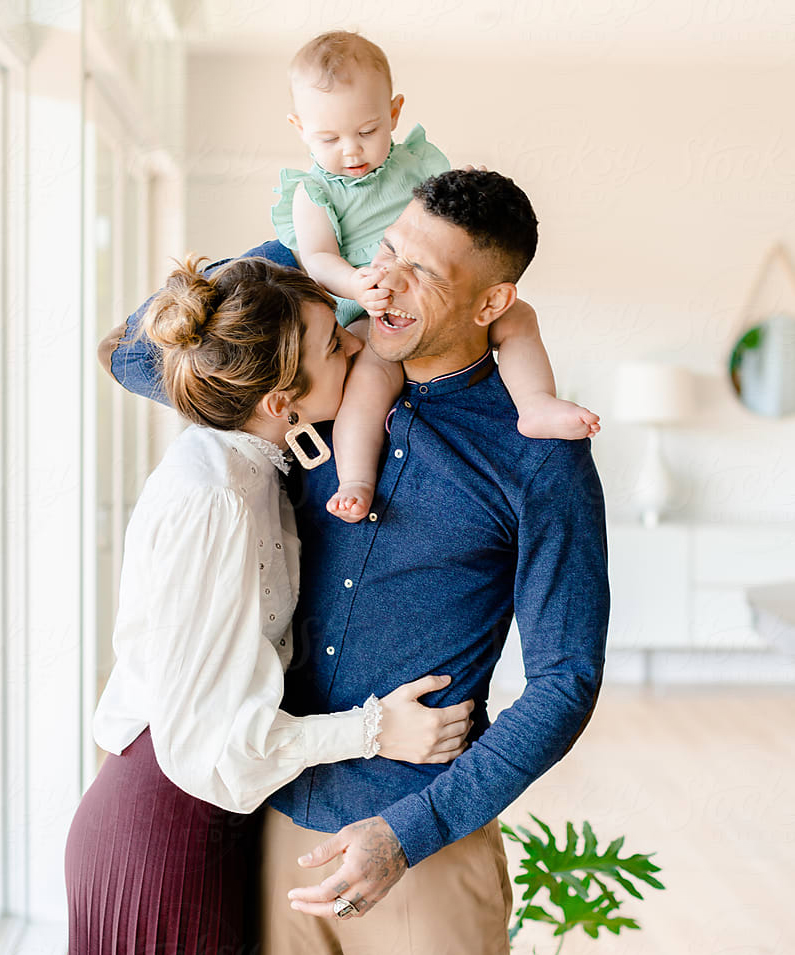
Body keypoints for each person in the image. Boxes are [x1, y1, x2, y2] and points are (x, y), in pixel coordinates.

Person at [101, 169, 610, 955]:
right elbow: (129, 354)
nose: (387, 284)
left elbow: (567, 678)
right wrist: (301, 237)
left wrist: (412, 831)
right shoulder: (312, 379)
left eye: (425, 275)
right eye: (388, 249)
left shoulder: (539, 457)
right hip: (277, 824)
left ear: (492, 304)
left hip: (423, 849)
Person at [66, 255, 476, 955]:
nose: (354, 340)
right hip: (168, 830)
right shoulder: (219, 499)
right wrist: (375, 731)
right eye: (331, 345)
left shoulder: (241, 457)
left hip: (189, 817)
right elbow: (213, 743)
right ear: (280, 403)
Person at [272, 31, 600, 523]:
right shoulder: (313, 192)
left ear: (394, 113)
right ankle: (356, 477)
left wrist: (471, 184)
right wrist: (358, 283)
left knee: (522, 318)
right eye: (329, 138)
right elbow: (317, 257)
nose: (351, 150)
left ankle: (533, 402)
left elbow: (450, 215)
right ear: (300, 128)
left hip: (425, 317)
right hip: (364, 305)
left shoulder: (414, 164)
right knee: (370, 378)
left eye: (367, 131)